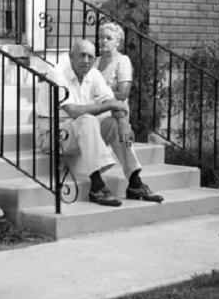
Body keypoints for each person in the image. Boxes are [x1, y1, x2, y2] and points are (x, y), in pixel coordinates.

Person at [35, 39, 162, 206]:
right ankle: (96, 186)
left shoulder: (93, 74)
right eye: (82, 56)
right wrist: (108, 105)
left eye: (90, 57)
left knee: (113, 123)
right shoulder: (57, 73)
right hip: (53, 134)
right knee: (87, 120)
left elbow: (112, 101)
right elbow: (73, 111)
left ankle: (134, 182)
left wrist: (123, 121)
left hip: (80, 129)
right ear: (71, 56)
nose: (86, 61)